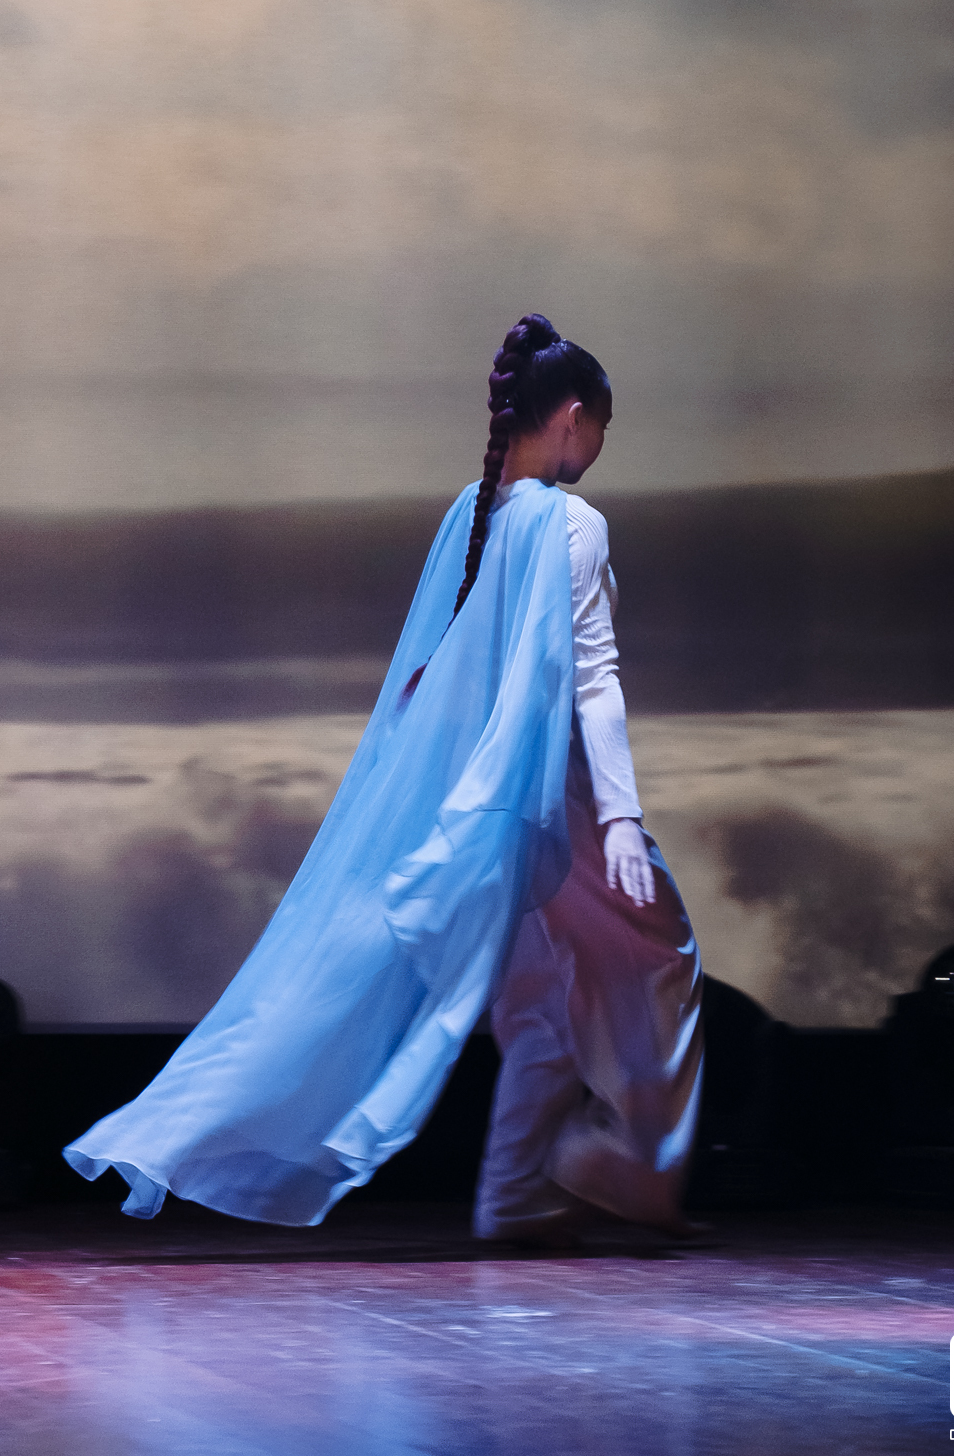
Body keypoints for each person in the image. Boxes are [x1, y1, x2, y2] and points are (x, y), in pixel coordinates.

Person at [63, 313, 704, 1239]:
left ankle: (517, 1190)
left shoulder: (474, 510)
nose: (601, 445)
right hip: (547, 798)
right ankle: (627, 1170)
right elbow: (594, 681)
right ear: (572, 417)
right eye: (603, 426)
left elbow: (437, 671)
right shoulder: (570, 524)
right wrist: (619, 819)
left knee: (541, 993)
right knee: (663, 955)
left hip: (485, 804)